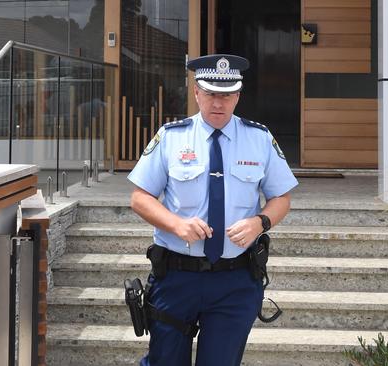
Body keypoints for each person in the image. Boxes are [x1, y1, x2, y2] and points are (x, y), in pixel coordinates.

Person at [128, 54, 298, 366]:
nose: (218, 104)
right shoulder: (171, 137)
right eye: (210, 95)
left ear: (238, 96)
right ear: (196, 93)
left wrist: (260, 222)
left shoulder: (259, 139)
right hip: (177, 276)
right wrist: (176, 224)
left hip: (235, 281)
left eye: (227, 95)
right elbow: (140, 198)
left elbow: (281, 199)